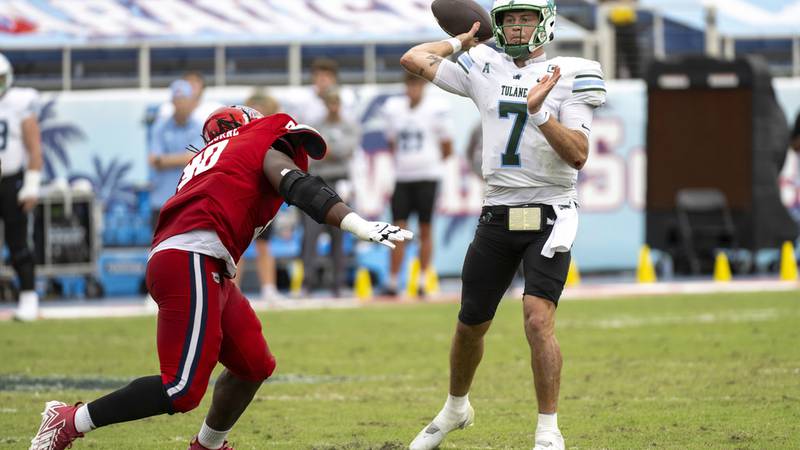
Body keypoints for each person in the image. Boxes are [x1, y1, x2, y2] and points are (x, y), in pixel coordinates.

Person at [28, 106, 413, 450]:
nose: (290, 150)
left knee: (253, 364)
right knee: (180, 388)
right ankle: (70, 420)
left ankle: (209, 446)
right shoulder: (254, 143)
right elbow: (297, 184)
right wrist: (355, 222)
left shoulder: (210, 160)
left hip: (200, 260)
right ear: (247, 126)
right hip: (191, 258)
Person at [400, 1, 606, 449]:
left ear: (545, 22)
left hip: (551, 211)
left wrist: (539, 113)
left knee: (537, 318)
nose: (515, 26)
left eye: (524, 18)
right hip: (497, 211)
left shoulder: (572, 72)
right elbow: (414, 58)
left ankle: (548, 430)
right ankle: (456, 407)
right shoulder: (482, 65)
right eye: (508, 18)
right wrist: (461, 41)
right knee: (470, 323)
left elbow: (578, 154)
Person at [381, 72, 453, 297]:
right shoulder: (395, 109)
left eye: (416, 85)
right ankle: (393, 281)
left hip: (427, 177)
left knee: (425, 228)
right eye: (409, 85)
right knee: (397, 229)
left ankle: (422, 279)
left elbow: (447, 146)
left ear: (423, 86)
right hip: (403, 177)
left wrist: (429, 163)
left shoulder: (435, 109)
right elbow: (391, 142)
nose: (412, 89)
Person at [301, 88, 361, 297]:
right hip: (318, 182)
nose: (333, 107)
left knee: (338, 231)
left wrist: (326, 151)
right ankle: (307, 282)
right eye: (330, 103)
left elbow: (345, 150)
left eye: (337, 103)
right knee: (311, 233)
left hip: (339, 181)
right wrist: (330, 151)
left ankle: (338, 283)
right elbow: (313, 152)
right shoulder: (317, 125)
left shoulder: (349, 125)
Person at [0, 52, 43, 322]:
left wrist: (31, 184)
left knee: (18, 243)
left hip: (10, 181)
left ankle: (28, 299)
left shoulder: (18, 103)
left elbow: (34, 147)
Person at [232, 90, 284, 301]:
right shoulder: (239, 136)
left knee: (264, 243)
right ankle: (232, 290)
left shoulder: (275, 136)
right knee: (236, 246)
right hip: (242, 195)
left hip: (264, 195)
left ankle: (269, 288)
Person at [148, 79, 206, 226]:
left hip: (188, 198)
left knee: (188, 246)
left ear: (192, 102)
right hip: (161, 198)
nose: (180, 103)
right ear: (172, 101)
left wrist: (164, 160)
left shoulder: (199, 127)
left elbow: (196, 159)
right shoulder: (160, 127)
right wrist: (184, 159)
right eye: (177, 99)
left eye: (184, 99)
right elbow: (154, 160)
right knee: (158, 247)